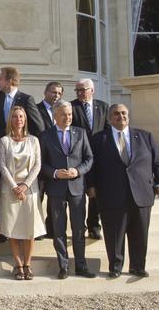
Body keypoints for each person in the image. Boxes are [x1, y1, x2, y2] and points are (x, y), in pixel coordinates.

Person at [88, 104, 159, 278]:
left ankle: (138, 267)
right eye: (116, 114)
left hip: (141, 193)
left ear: (128, 116)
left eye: (124, 113)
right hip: (111, 194)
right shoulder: (98, 139)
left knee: (140, 233)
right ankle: (115, 267)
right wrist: (91, 186)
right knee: (114, 234)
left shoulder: (145, 136)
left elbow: (158, 161)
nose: (120, 116)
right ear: (110, 118)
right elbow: (91, 165)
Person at [40, 100, 96, 280]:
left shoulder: (80, 133)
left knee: (79, 229)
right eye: (64, 114)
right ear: (55, 116)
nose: (68, 117)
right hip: (56, 189)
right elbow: (41, 163)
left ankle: (81, 265)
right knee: (59, 229)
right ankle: (63, 265)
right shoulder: (46, 135)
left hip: (77, 189)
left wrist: (77, 171)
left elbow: (89, 158)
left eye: (70, 114)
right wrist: (55, 173)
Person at [0, 66, 45, 243]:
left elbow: (38, 127)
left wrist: (33, 149)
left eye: (1, 78)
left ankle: (31, 228)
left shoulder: (26, 99)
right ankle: (3, 229)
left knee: (28, 197)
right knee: (3, 192)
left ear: (9, 80)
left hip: (24, 153)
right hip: (4, 150)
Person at [0, 106, 46, 280]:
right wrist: (14, 187)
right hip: (10, 190)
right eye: (15, 117)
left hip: (29, 191)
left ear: (25, 120)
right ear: (11, 119)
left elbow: (38, 165)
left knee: (29, 230)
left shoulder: (34, 141)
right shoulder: (4, 141)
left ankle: (27, 264)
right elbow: (2, 165)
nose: (19, 120)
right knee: (14, 230)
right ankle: (17, 265)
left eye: (21, 117)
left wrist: (24, 185)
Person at [71, 78, 109, 240]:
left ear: (92, 90)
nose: (80, 93)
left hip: (98, 157)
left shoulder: (103, 106)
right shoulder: (71, 107)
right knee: (79, 194)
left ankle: (94, 226)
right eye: (77, 90)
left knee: (96, 194)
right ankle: (80, 227)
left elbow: (107, 129)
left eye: (83, 89)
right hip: (79, 157)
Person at [36, 81, 64, 239]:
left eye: (59, 93)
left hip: (56, 163)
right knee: (38, 196)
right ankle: (38, 229)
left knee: (54, 198)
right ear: (45, 92)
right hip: (41, 159)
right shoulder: (36, 109)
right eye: (53, 92)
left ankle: (52, 228)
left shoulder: (62, 111)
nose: (56, 96)